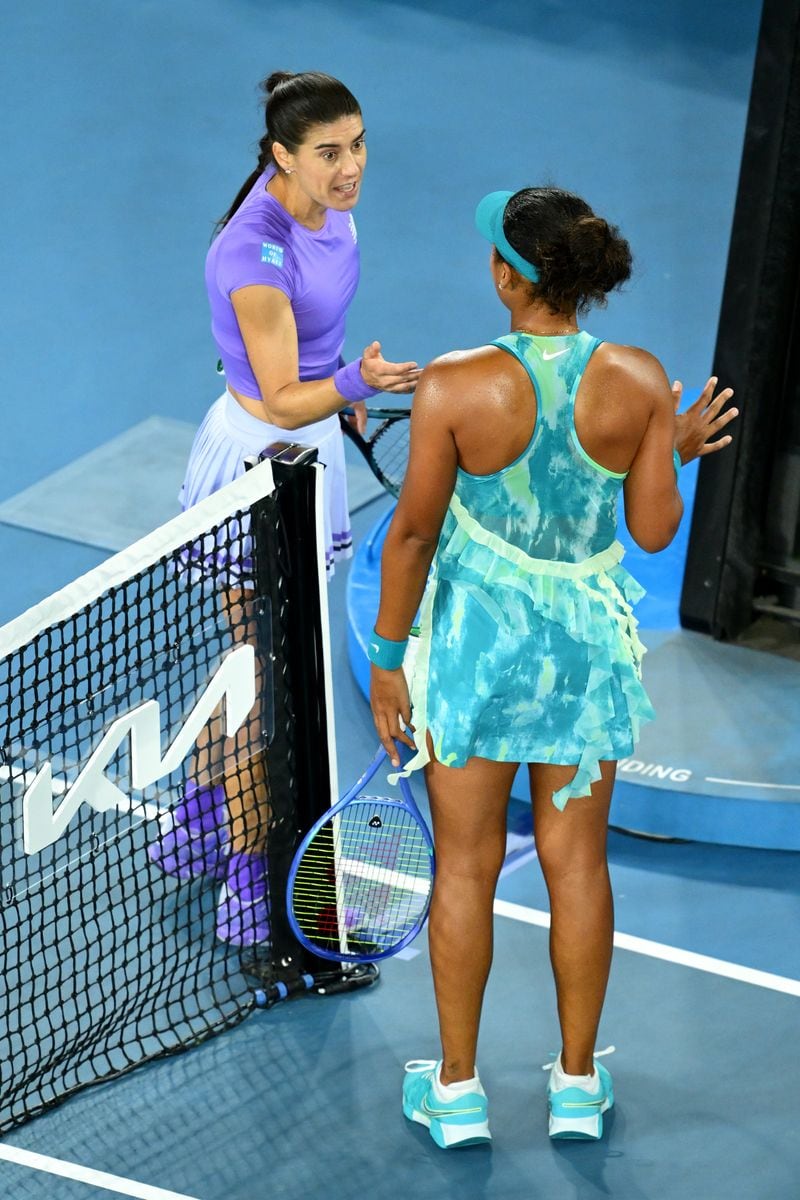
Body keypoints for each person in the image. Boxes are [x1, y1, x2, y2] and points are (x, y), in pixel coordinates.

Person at [369, 186, 738, 1148]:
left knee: (467, 866)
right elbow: (653, 533)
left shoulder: (453, 385)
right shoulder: (641, 381)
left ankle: (456, 1093)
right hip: (580, 662)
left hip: (474, 660)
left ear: (507, 273)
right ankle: (576, 1086)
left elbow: (410, 538)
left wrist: (384, 661)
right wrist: (671, 445)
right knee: (578, 866)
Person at [148, 71, 419, 946]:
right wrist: (351, 383)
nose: (352, 169)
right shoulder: (248, 253)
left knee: (257, 659)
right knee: (260, 675)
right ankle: (249, 858)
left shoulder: (332, 208)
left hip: (315, 451)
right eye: (329, 154)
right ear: (282, 157)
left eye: (359, 144)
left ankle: (197, 810)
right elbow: (274, 395)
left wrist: (340, 386)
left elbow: (319, 336)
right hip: (259, 465)